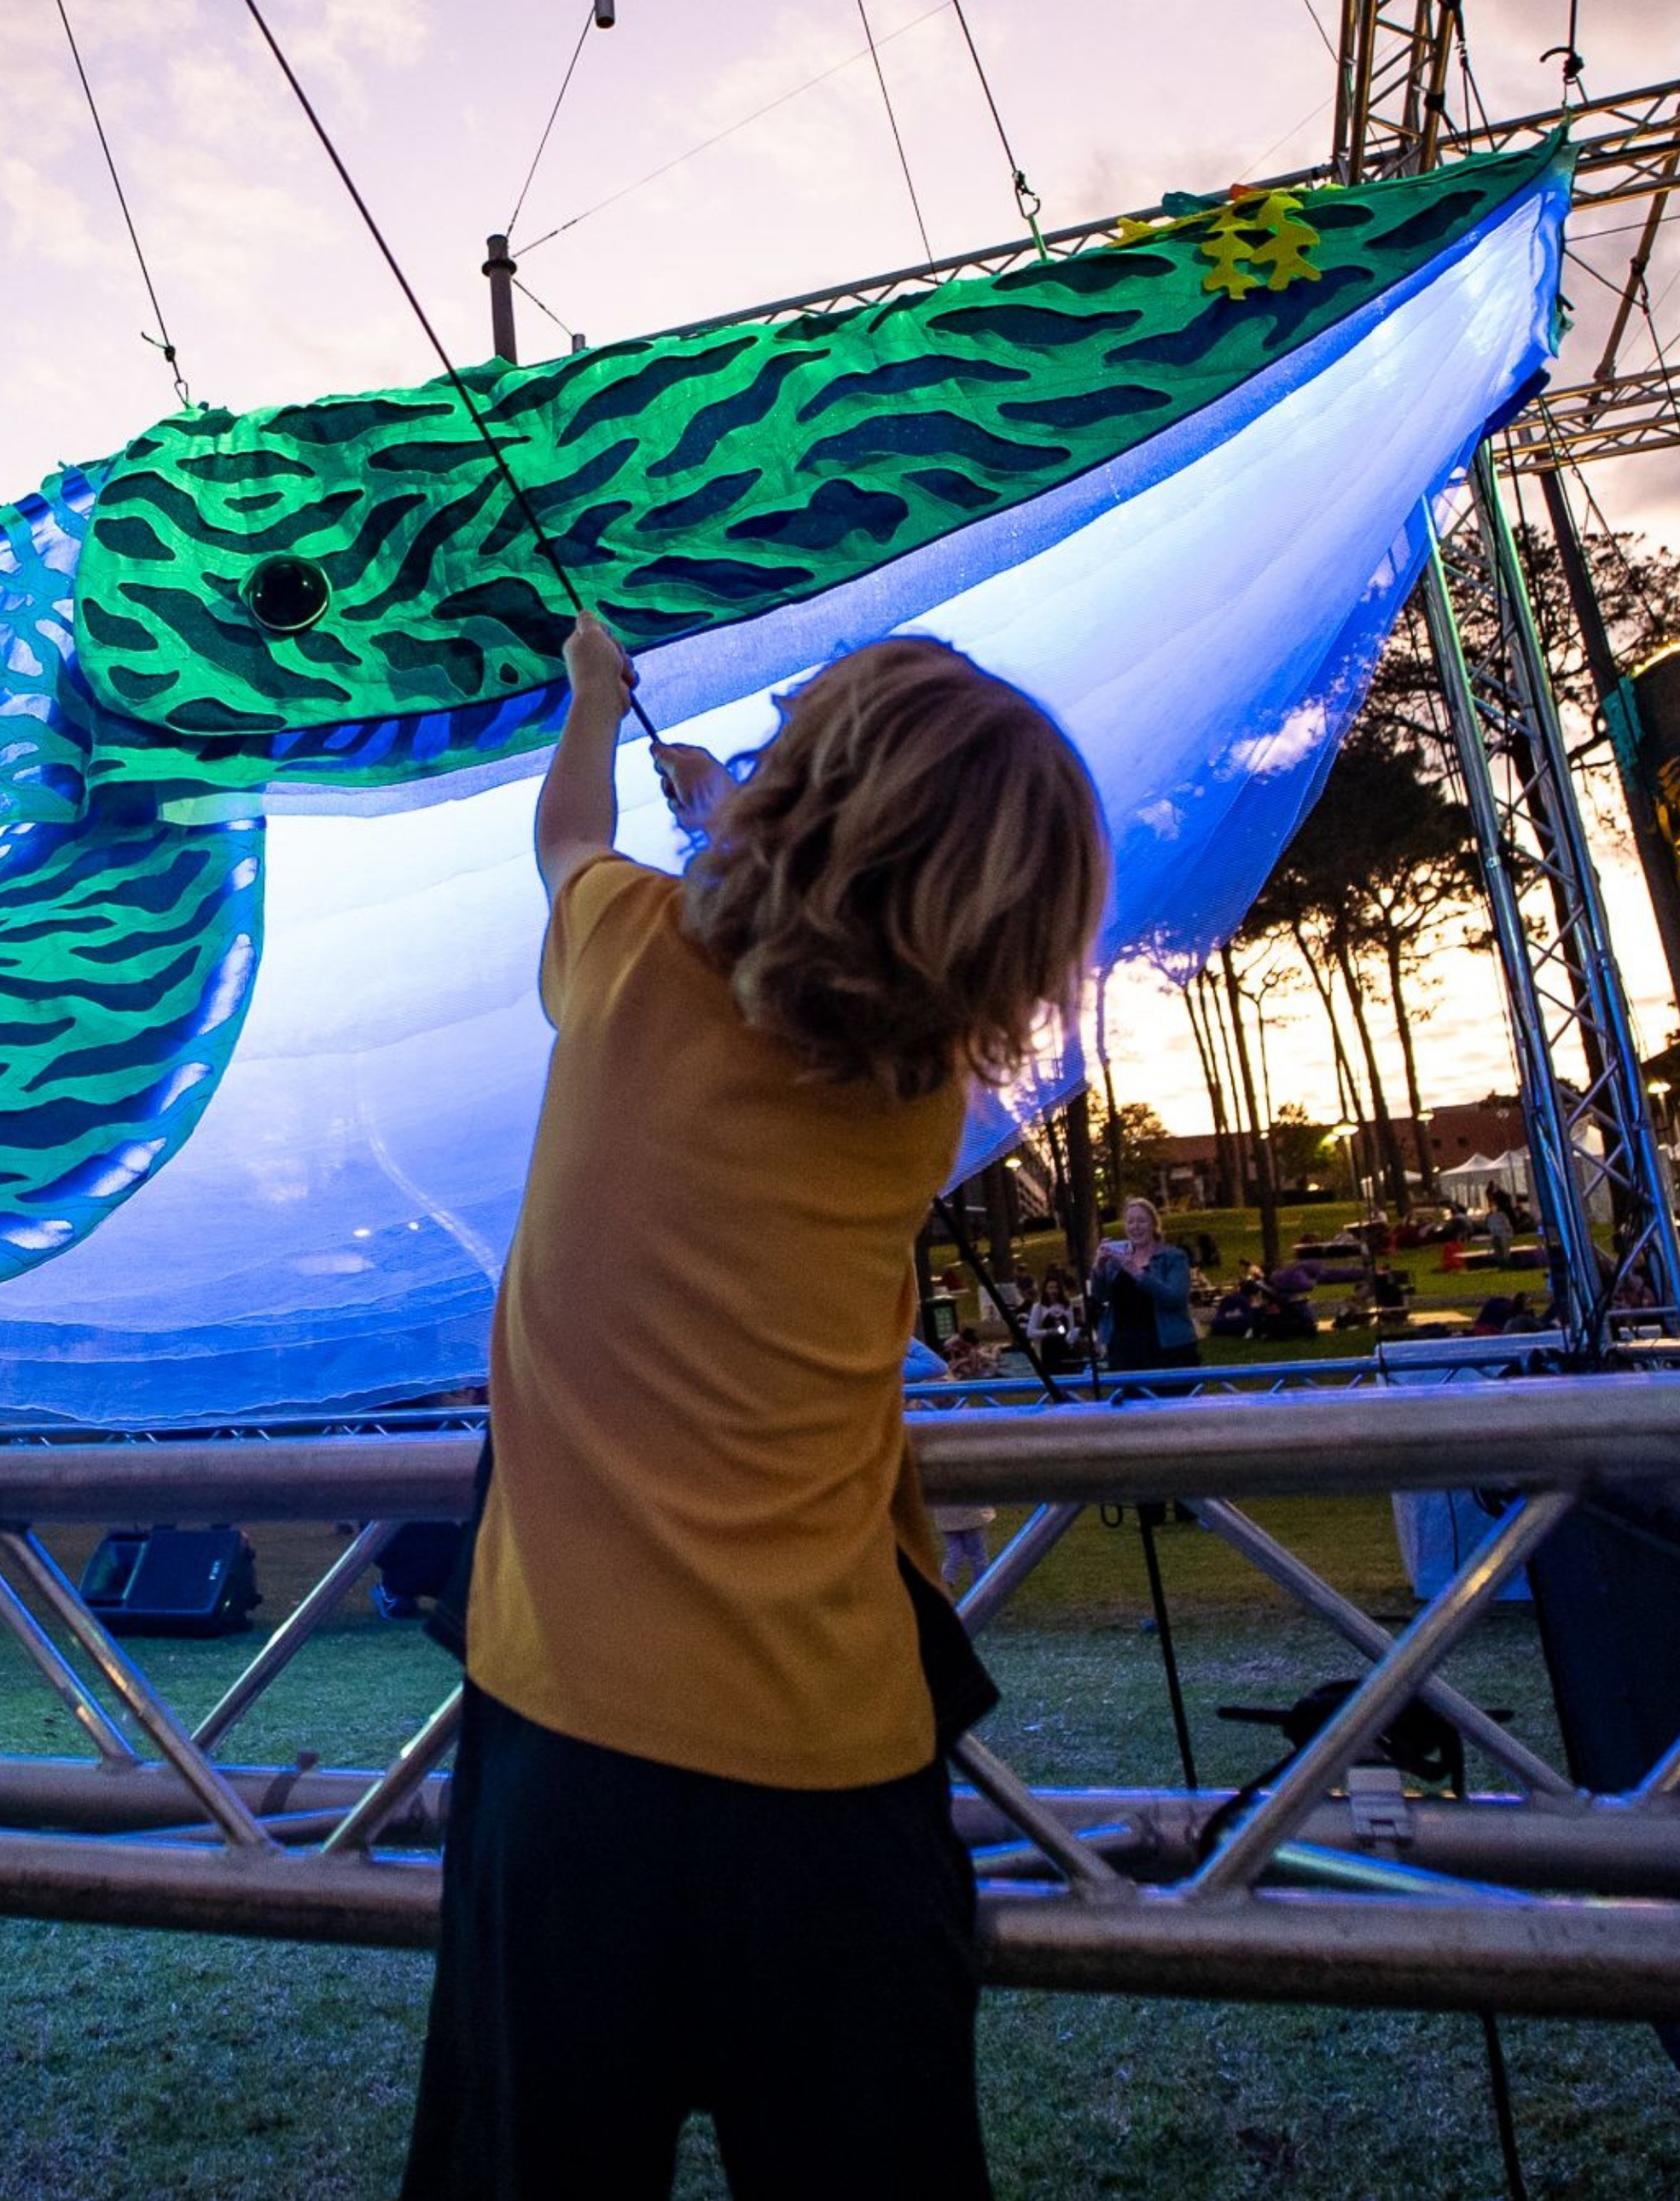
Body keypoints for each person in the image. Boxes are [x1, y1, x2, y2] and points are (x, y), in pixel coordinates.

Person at [405, 616, 1102, 2200]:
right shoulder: (918, 1103)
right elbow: (836, 955)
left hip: (575, 1768)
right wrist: (735, 820)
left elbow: (567, 834)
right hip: (847, 1789)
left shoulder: (634, 946)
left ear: (798, 804)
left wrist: (595, 705)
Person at [1090, 1199, 1199, 1375]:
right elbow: (1101, 1297)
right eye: (1130, 1222)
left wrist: (1136, 1271)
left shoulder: (1173, 1257)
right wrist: (1099, 1268)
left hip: (1166, 1344)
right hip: (1124, 1347)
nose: (1136, 1227)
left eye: (1142, 1221)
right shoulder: (1117, 1261)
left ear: (1154, 1225)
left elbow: (1174, 1298)